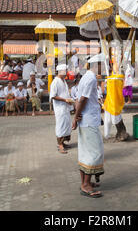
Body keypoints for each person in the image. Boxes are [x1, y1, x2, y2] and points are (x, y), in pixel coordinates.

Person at [72, 63, 104, 198]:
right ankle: (86, 185)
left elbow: (80, 99)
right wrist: (75, 117)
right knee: (94, 153)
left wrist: (77, 114)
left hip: (86, 119)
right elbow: (83, 99)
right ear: (97, 65)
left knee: (86, 152)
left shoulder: (86, 77)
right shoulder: (90, 78)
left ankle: (86, 182)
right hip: (89, 120)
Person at [50, 64, 74, 153]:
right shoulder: (55, 82)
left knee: (66, 124)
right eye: (64, 72)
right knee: (60, 125)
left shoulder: (63, 80)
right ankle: (60, 145)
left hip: (65, 107)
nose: (66, 74)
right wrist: (65, 100)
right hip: (60, 108)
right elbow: (53, 96)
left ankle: (63, 142)